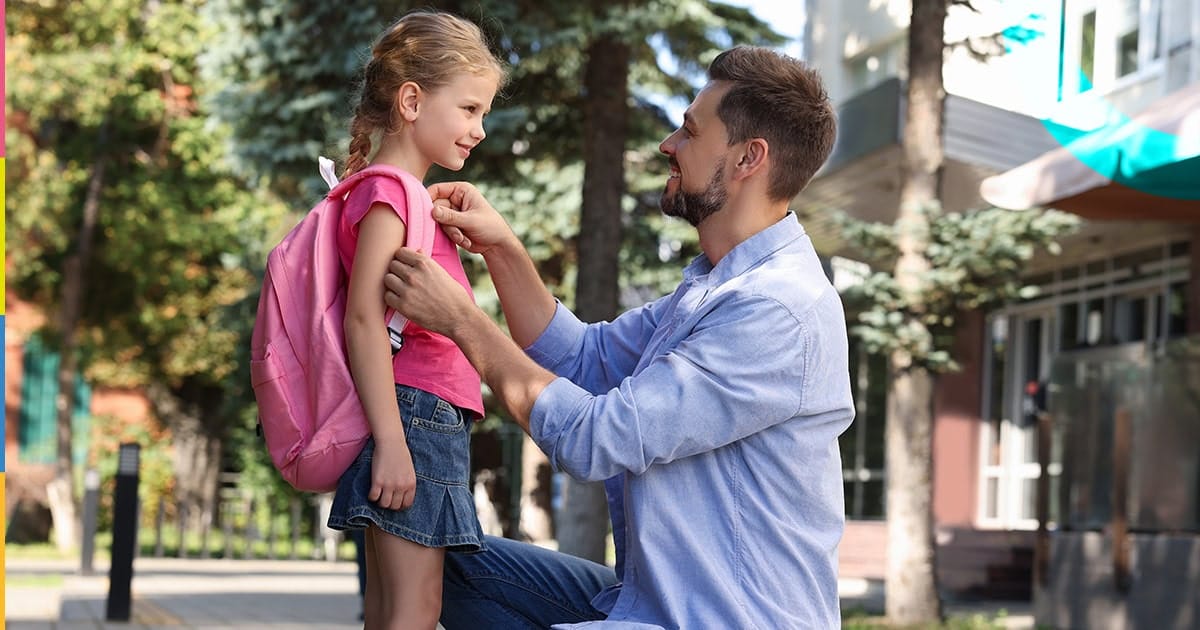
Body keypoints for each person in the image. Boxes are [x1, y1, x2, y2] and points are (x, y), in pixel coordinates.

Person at [385, 46, 853, 629]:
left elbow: (595, 439)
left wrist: (462, 322)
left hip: (723, 620)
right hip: (657, 601)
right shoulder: (718, 286)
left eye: (690, 131)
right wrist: (502, 248)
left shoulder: (775, 312)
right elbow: (584, 356)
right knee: (443, 560)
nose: (669, 146)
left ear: (746, 159)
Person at [322, 10, 506, 629]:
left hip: (415, 417)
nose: (479, 129)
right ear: (411, 100)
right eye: (469, 109)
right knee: (416, 610)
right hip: (415, 418)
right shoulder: (393, 193)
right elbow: (364, 322)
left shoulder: (388, 193)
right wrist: (396, 445)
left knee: (389, 610)